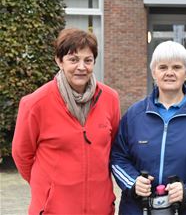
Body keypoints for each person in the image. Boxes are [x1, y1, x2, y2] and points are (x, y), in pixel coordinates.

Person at [12, 28, 121, 214]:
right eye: (73, 59)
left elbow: (113, 149)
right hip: (53, 209)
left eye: (88, 60)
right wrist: (48, 188)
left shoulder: (110, 99)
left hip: (101, 209)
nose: (81, 67)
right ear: (59, 61)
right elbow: (22, 155)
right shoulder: (35, 104)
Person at [111, 41, 186, 215]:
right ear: (153, 72)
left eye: (177, 67)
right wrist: (133, 183)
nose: (169, 73)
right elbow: (118, 157)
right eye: (163, 67)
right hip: (138, 209)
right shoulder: (134, 115)